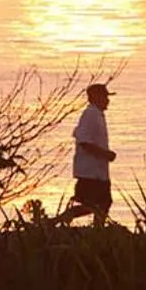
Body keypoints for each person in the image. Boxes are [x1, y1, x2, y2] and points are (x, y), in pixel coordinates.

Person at [55, 82, 115, 225]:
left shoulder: (98, 115)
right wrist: (105, 154)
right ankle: (55, 221)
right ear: (94, 97)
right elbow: (84, 142)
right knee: (92, 205)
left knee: (103, 203)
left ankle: (98, 230)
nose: (107, 100)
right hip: (90, 171)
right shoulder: (90, 114)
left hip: (98, 172)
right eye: (104, 96)